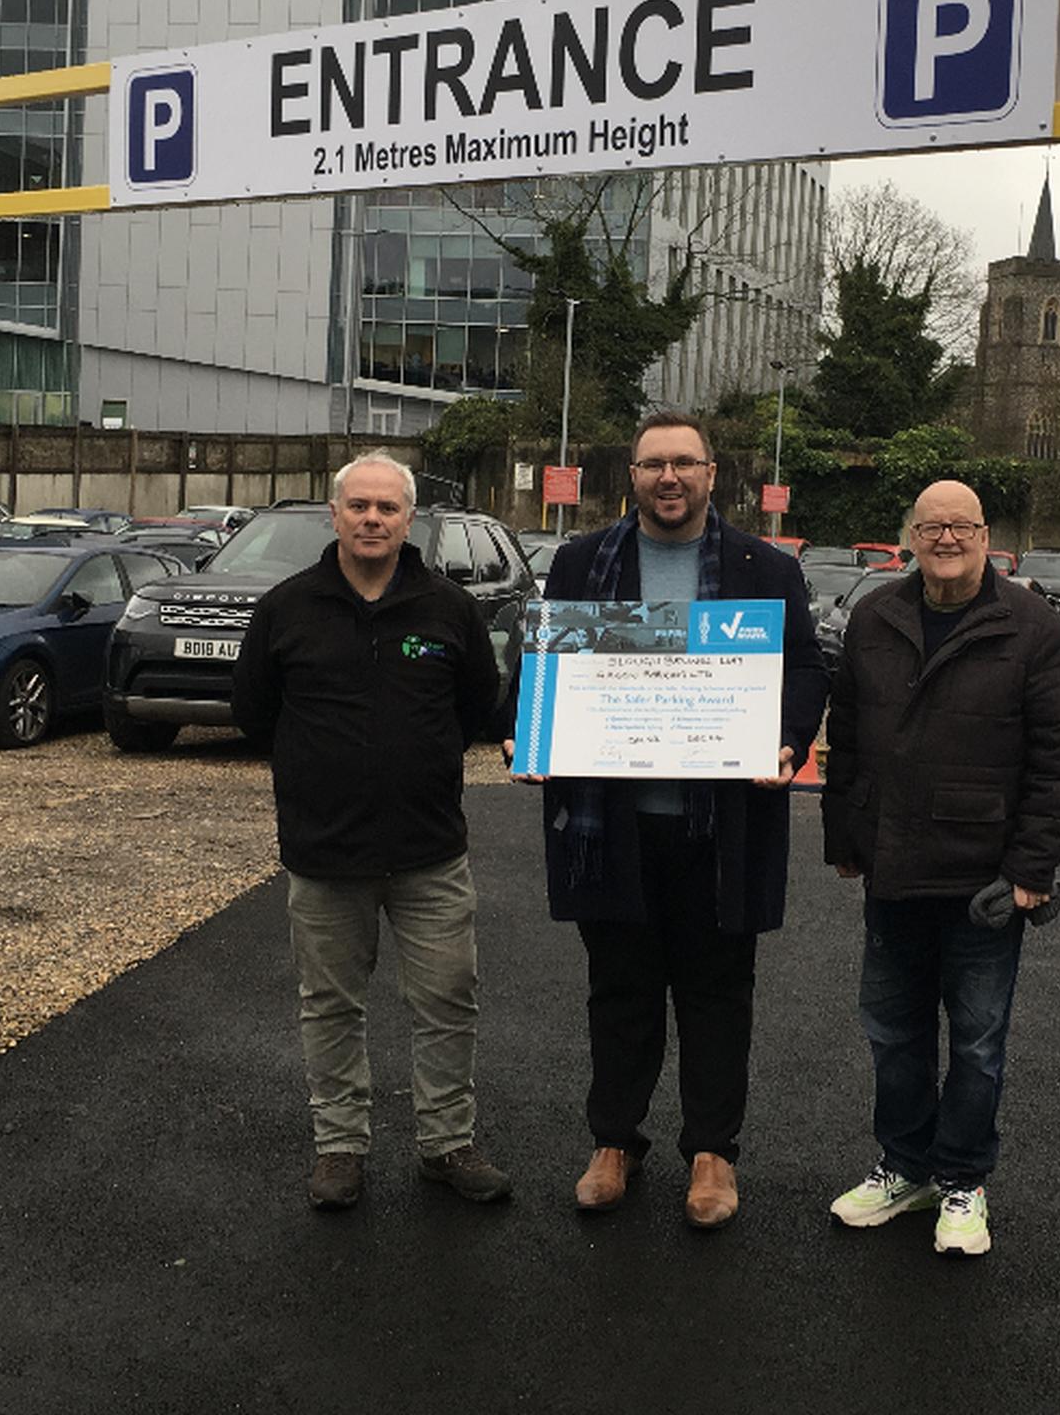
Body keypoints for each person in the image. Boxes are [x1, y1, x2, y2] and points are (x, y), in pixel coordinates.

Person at [529, 410, 828, 1229]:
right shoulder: (581, 562)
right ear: (631, 474)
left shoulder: (764, 567)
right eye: (653, 463)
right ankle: (613, 1142)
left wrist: (787, 737)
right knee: (618, 989)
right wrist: (540, 729)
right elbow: (549, 665)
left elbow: (804, 666)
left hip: (721, 827)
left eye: (684, 464)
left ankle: (712, 1153)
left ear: (711, 472)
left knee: (718, 993)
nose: (669, 478)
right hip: (611, 827)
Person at [230, 450, 511, 1212]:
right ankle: (340, 1149)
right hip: (325, 854)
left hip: (429, 851)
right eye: (359, 506)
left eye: (387, 508)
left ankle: (447, 1142)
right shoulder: (288, 608)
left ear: (409, 519)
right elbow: (256, 713)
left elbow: (479, 707)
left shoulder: (448, 608)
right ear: (335, 514)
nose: (372, 519)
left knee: (449, 1001)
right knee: (330, 1005)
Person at [820, 479, 1060, 1257]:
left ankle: (963, 1180)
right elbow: (851, 735)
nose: (946, 539)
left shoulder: (1032, 625)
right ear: (910, 535)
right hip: (893, 871)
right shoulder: (876, 616)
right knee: (892, 1033)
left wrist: (1033, 865)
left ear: (985, 535)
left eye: (961, 526)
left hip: (985, 883)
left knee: (976, 1043)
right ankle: (905, 1168)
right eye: (931, 526)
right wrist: (846, 837)